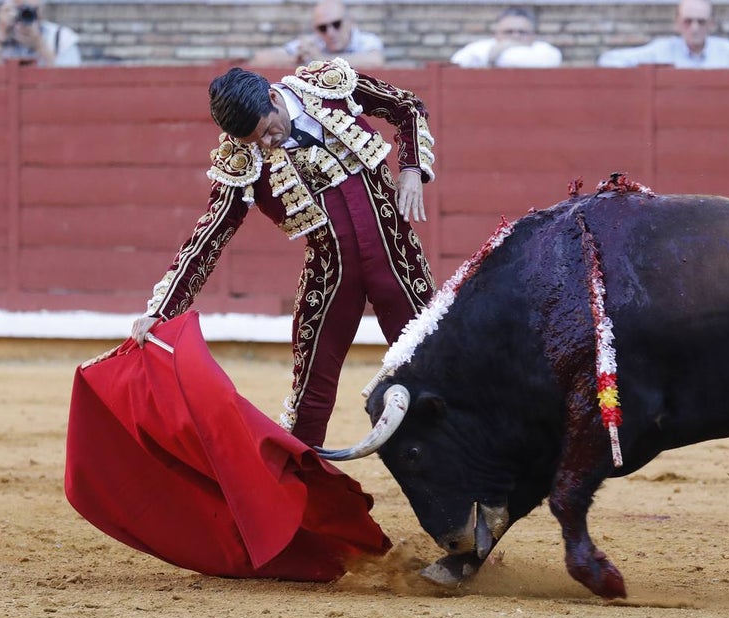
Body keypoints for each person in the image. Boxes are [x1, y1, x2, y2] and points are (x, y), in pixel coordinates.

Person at [130, 59, 437, 448]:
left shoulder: (328, 87)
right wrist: (161, 309)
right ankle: (299, 498)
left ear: (274, 97)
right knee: (309, 396)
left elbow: (407, 107)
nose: (266, 144)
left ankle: (481, 475)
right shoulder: (241, 159)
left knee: (436, 368)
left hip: (397, 256)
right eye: (254, 141)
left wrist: (411, 169)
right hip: (331, 274)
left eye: (267, 130)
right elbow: (210, 234)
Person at [597, 0, 729, 69]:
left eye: (701, 22)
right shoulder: (662, 50)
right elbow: (609, 60)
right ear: (678, 24)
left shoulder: (728, 53)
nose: (694, 28)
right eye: (688, 22)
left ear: (711, 24)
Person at [249, 0, 383, 70]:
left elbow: (375, 60)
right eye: (322, 27)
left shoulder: (366, 40)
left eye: (336, 24)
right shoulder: (313, 43)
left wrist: (322, 59)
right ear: (315, 29)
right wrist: (292, 60)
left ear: (350, 22)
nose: (330, 33)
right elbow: (259, 58)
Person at [450, 6, 562, 68]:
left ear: (533, 36)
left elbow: (552, 61)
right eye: (509, 32)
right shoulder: (482, 46)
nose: (516, 36)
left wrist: (497, 53)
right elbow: (457, 61)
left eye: (522, 32)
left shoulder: (544, 50)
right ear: (497, 34)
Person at [0, 0, 80, 66]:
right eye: (20, 10)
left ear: (42, 9)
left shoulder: (61, 38)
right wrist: (0, 40)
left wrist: (41, 47)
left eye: (32, 11)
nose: (24, 15)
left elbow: (71, 81)